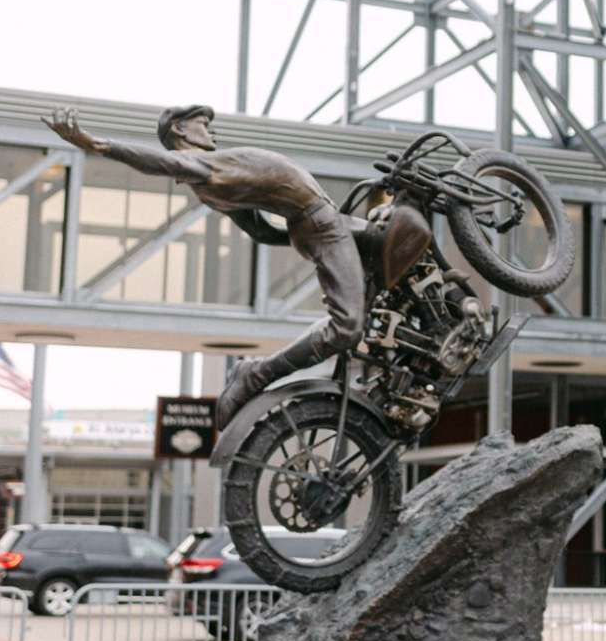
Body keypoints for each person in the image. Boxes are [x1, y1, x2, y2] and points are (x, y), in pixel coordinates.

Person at [43, 104, 365, 429]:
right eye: (202, 123)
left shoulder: (216, 176)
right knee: (348, 327)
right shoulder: (199, 165)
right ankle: (258, 373)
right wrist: (99, 145)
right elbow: (163, 162)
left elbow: (260, 231)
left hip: (322, 225)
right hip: (322, 224)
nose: (211, 130)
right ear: (180, 131)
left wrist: (318, 240)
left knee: (400, 241)